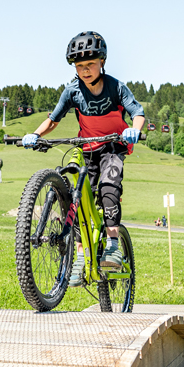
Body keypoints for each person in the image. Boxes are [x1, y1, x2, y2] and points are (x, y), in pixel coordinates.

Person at [22, 31, 145, 286]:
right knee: (75, 197)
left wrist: (135, 129)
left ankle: (112, 245)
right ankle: (80, 255)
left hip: (113, 146)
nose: (85, 70)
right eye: (80, 66)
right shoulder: (72, 91)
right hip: (86, 148)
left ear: (102, 62)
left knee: (109, 188)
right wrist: (35, 134)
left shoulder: (115, 87)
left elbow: (138, 113)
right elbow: (53, 120)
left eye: (90, 64)